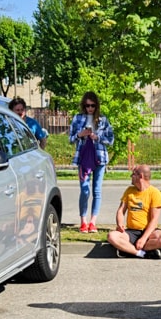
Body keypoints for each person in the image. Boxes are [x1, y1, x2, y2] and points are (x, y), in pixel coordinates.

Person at [69, 91, 114, 233]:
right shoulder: (78, 118)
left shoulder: (102, 119)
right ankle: (83, 221)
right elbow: (70, 139)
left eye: (93, 105)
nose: (90, 108)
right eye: (87, 105)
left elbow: (111, 139)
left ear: (96, 106)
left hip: (99, 157)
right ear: (84, 105)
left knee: (97, 190)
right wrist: (79, 135)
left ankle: (93, 222)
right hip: (83, 158)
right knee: (84, 189)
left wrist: (98, 137)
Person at [107, 164, 161, 259]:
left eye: (133, 174)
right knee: (112, 236)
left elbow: (154, 219)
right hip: (131, 231)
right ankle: (141, 253)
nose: (130, 176)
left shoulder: (154, 193)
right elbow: (121, 210)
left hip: (148, 231)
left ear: (140, 176)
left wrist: (144, 238)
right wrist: (120, 223)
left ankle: (128, 250)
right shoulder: (129, 190)